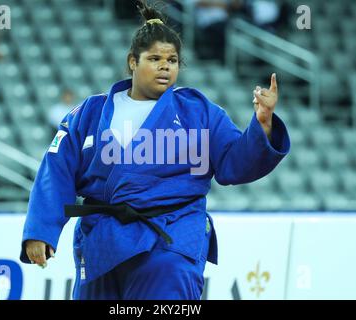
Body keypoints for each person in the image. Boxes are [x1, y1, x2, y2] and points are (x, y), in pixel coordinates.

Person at [20, 0, 290, 300]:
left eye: (172, 60)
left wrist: (262, 124)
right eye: (155, 59)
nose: (165, 67)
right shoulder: (89, 112)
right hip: (104, 237)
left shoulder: (198, 112)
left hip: (171, 235)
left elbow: (233, 163)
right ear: (133, 61)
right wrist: (41, 231)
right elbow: (56, 169)